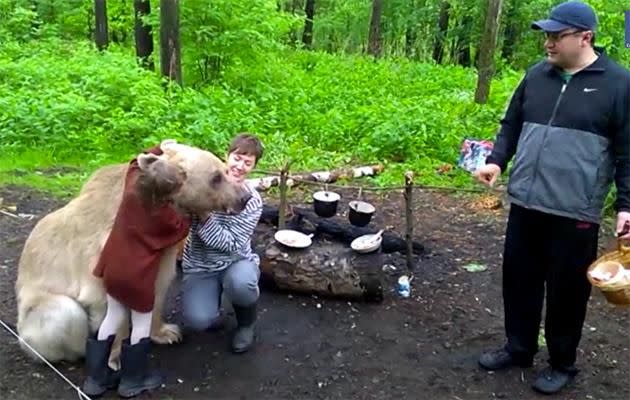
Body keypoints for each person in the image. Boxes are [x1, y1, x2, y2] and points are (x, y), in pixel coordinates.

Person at [473, 1, 630, 395]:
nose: (548, 43)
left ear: (585, 37)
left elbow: (628, 151)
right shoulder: (536, 76)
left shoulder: (618, 84)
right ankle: (519, 347)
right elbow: (511, 124)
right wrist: (497, 161)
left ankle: (562, 362)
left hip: (575, 210)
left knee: (566, 290)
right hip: (525, 202)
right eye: (546, 34)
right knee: (519, 279)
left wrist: (626, 205)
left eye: (556, 36)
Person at [82, 145, 191, 398]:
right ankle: (133, 380)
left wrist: (159, 148)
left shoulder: (131, 188)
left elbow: (135, 163)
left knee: (112, 316)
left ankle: (96, 378)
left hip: (112, 270)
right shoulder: (164, 218)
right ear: (169, 195)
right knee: (141, 324)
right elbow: (183, 228)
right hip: (136, 279)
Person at [180, 133, 264, 353]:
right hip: (200, 264)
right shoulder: (202, 183)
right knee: (198, 320)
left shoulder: (252, 201)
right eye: (237, 158)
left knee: (242, 283)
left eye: (248, 163)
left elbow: (231, 244)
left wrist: (204, 214)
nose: (240, 166)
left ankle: (247, 323)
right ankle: (211, 311)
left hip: (234, 261)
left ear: (253, 167)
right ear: (227, 157)